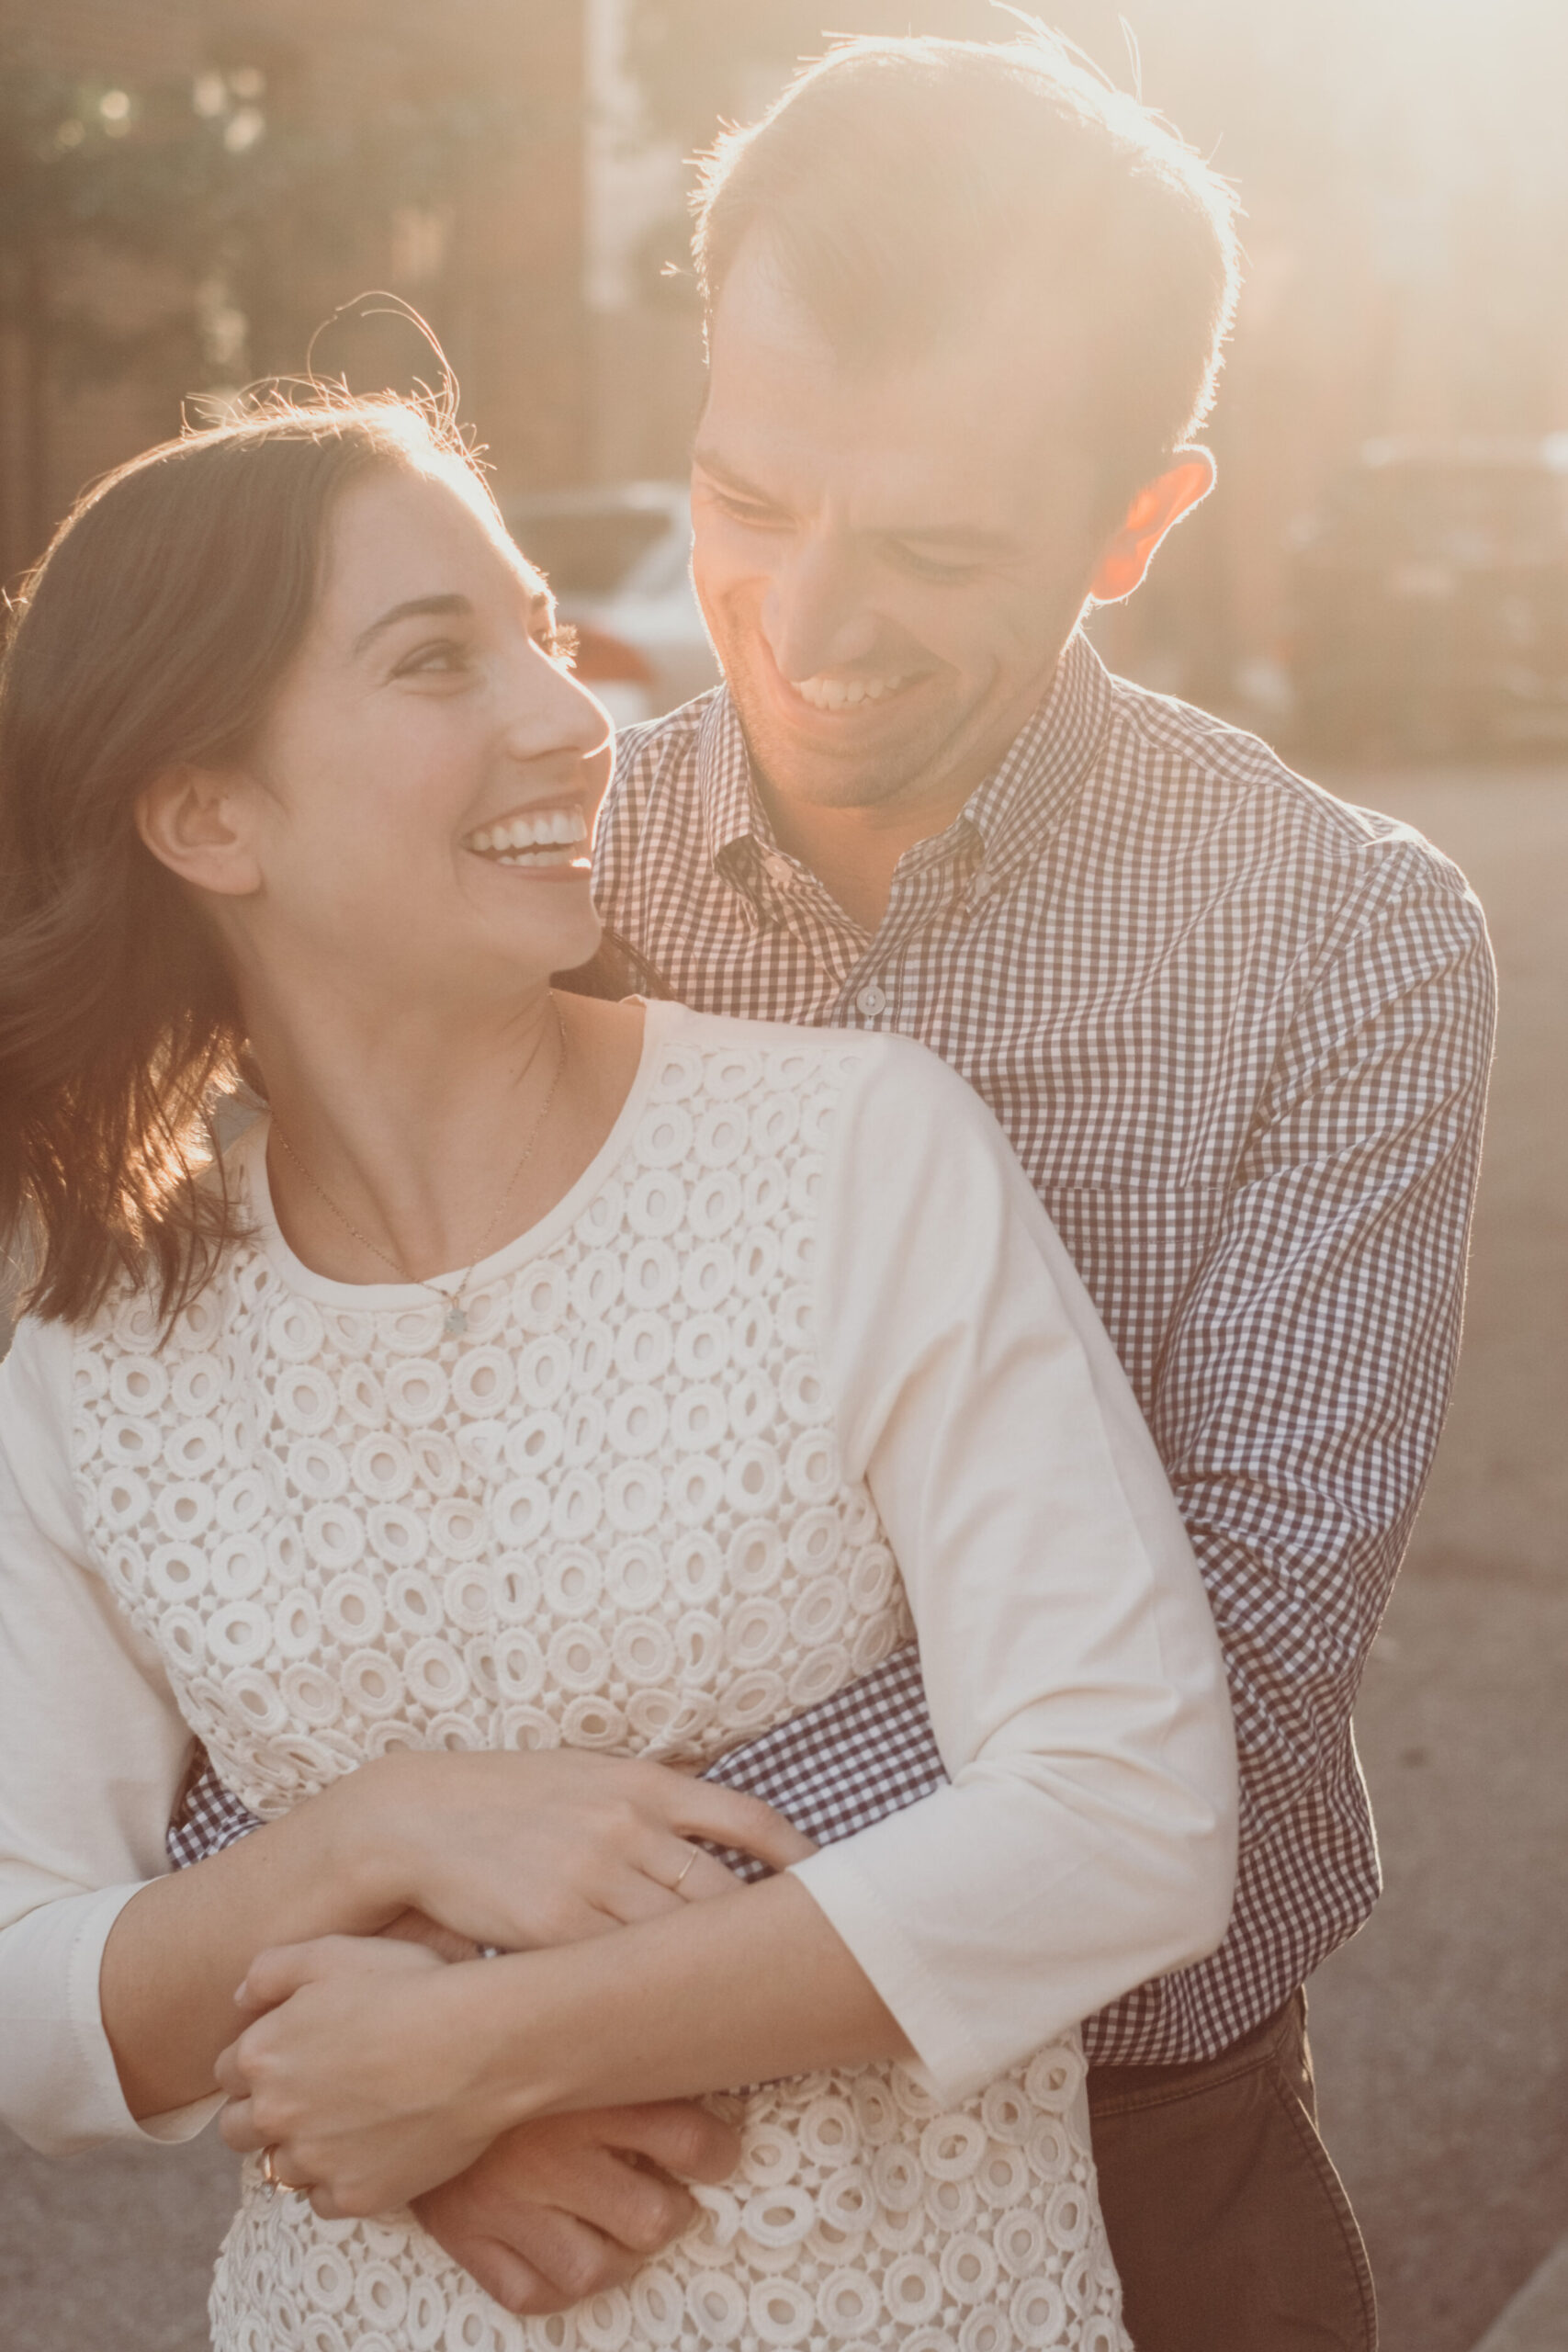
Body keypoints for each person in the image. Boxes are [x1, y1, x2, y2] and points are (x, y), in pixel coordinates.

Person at [293, 29, 1489, 2351]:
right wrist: (450, 2059)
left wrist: (528, 2012)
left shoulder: (1337, 937)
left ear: (1137, 520)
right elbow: (256, 1496)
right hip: (558, 2198)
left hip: (1132, 2138)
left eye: (934, 546)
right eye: (748, 497)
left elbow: (1227, 1649)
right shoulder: (518, 865)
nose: (807, 627)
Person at [0, 392, 1238, 2351]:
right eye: (434, 660)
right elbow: (21, 1985)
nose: (572, 718)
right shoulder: (93, 1343)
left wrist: (476, 2053)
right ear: (204, 811)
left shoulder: (849, 1154)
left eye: (541, 638)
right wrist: (368, 1834)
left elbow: (1120, 1814)